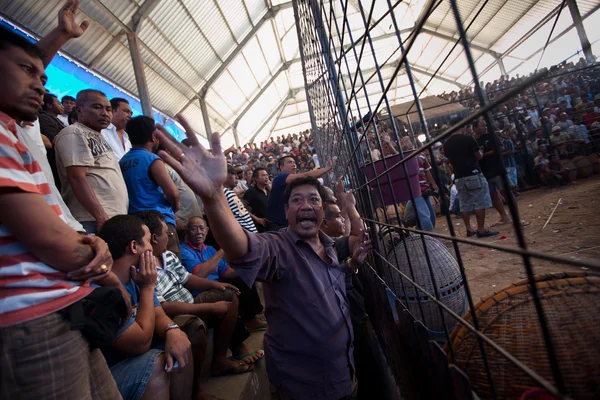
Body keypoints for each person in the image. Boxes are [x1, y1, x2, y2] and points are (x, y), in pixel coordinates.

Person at [153, 119, 364, 400]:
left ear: (322, 211)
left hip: (344, 374)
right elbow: (241, 248)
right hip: (303, 387)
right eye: (297, 201)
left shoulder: (330, 247)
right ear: (286, 212)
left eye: (313, 200)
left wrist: (351, 210)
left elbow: (358, 243)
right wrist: (214, 197)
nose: (306, 206)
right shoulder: (279, 248)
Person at [0, 2, 126, 397]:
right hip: (31, 320)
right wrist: (104, 267)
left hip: (60, 305)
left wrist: (60, 38)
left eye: (43, 76)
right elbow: (50, 241)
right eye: (27, 72)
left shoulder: (12, 128)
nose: (41, 84)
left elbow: (22, 71)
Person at [135, 211, 263, 376]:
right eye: (167, 233)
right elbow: (162, 307)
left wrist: (216, 284)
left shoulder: (168, 255)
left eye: (202, 228)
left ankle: (220, 359)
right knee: (196, 327)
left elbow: (188, 278)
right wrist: (209, 307)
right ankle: (196, 390)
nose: (170, 236)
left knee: (229, 292)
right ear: (154, 238)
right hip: (174, 316)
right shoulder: (146, 269)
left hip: (191, 302)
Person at [98, 215, 200, 400]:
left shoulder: (136, 275)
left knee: (180, 343)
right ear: (134, 246)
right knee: (157, 365)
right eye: (147, 241)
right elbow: (140, 343)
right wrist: (148, 287)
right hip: (107, 380)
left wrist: (172, 330)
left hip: (130, 360)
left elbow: (158, 313)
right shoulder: (103, 291)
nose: (151, 248)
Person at [54, 88, 129, 234]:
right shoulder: (74, 132)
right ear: (79, 110)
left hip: (112, 218)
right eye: (97, 107)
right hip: (93, 220)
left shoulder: (100, 137)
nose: (104, 113)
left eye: (108, 109)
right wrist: (101, 217)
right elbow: (76, 177)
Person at [180, 216, 267, 332]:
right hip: (201, 291)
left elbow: (225, 273)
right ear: (187, 231)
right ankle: (247, 327)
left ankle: (251, 320)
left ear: (207, 230)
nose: (198, 232)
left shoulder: (210, 249)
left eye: (201, 228)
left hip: (217, 286)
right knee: (230, 293)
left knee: (244, 277)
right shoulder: (184, 250)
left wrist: (247, 269)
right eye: (194, 229)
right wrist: (223, 249)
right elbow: (199, 274)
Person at [119, 116, 181, 257]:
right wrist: (174, 208)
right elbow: (173, 193)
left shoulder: (122, 161)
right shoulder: (152, 159)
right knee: (172, 266)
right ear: (153, 137)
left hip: (138, 224)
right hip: (160, 222)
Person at [443, 117, 497, 238]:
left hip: (459, 176)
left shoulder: (447, 143)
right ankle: (481, 229)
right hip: (472, 173)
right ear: (461, 125)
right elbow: (478, 156)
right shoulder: (468, 138)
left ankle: (469, 229)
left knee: (464, 203)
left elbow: (449, 161)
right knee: (479, 202)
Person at [266, 155, 332, 231]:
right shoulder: (280, 177)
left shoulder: (292, 181)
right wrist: (327, 168)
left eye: (294, 162)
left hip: (285, 224)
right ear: (281, 167)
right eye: (289, 162)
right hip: (278, 226)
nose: (294, 164)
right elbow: (306, 176)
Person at [474, 119, 512, 226]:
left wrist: (483, 155)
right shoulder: (474, 141)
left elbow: (500, 148)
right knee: (493, 196)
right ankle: (504, 216)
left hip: (497, 168)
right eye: (482, 126)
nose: (485, 127)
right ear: (475, 128)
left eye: (486, 125)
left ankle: (515, 215)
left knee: (506, 193)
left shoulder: (491, 135)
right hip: (485, 172)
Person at [38, 92, 65, 190]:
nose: (62, 106)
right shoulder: (44, 118)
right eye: (59, 104)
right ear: (49, 105)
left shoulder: (56, 119)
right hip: (52, 160)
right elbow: (54, 140)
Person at [224, 164, 257, 233]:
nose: (237, 177)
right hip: (244, 236)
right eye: (233, 174)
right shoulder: (222, 194)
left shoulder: (229, 192)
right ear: (224, 175)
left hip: (251, 235)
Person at [243, 167, 270, 232]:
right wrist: (256, 219)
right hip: (261, 228)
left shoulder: (269, 190)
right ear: (256, 179)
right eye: (263, 175)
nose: (266, 177)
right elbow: (241, 208)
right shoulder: (251, 192)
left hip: (273, 225)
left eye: (266, 175)